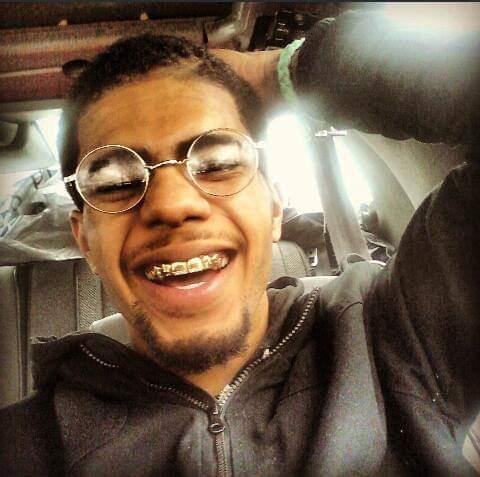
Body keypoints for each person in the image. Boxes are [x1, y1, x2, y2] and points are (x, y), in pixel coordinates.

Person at [1, 7, 479, 476]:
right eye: (114, 182)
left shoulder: (395, 336)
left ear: (274, 207)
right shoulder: (23, 447)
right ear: (85, 241)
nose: (172, 205)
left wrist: (282, 74)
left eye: (218, 162)